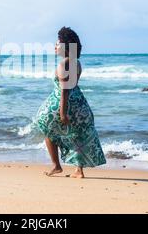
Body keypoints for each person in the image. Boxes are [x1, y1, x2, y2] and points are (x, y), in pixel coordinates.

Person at [33, 27, 106, 178]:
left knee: (46, 127)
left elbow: (64, 90)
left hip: (65, 103)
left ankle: (56, 165)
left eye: (57, 44)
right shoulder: (76, 62)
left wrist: (62, 112)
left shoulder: (62, 65)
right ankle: (79, 170)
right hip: (79, 103)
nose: (54, 46)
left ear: (65, 46)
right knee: (77, 135)